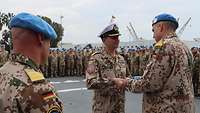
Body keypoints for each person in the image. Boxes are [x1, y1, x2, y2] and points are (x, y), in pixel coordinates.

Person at [111, 13, 196, 113]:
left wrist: (125, 82)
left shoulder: (164, 47)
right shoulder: (185, 47)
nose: (153, 34)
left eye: (153, 30)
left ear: (161, 27)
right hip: (185, 108)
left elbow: (149, 83)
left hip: (165, 108)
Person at [0, 12, 63, 113]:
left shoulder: (3, 72)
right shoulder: (38, 88)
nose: (49, 47)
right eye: (49, 41)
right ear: (40, 38)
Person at [86, 23, 130, 113]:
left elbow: (128, 78)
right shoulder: (96, 58)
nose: (117, 40)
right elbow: (90, 82)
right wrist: (112, 81)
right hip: (103, 109)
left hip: (120, 109)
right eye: (113, 38)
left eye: (118, 37)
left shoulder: (121, 58)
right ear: (104, 39)